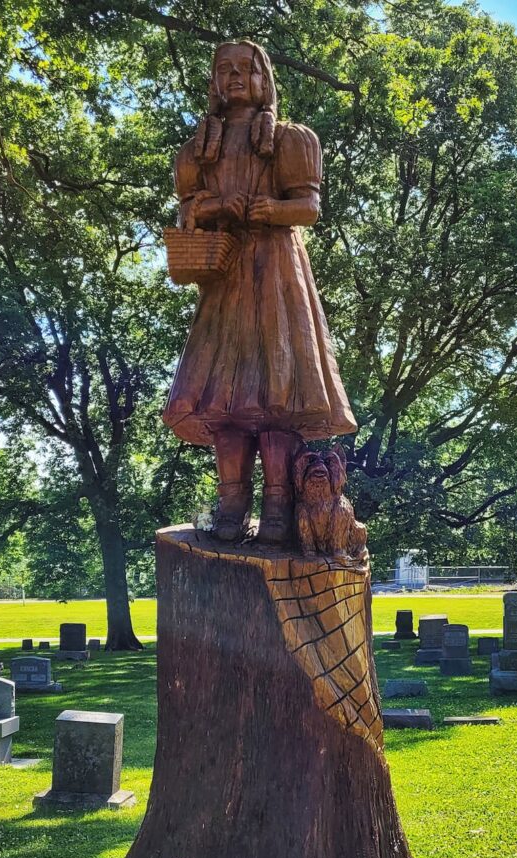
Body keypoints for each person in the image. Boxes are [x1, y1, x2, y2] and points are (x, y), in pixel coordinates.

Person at [162, 40, 357, 543]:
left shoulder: (292, 140)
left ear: (263, 78)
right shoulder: (198, 147)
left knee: (277, 391)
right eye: (222, 69)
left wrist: (263, 209)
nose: (232, 78)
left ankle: (276, 506)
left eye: (243, 69)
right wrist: (209, 207)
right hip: (225, 279)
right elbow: (188, 212)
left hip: (275, 275)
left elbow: (308, 207)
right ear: (212, 82)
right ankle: (231, 502)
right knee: (225, 396)